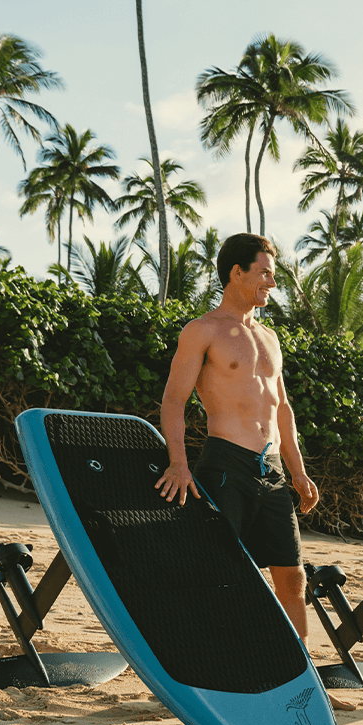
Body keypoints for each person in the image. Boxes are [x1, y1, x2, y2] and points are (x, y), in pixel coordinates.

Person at [155, 232, 319, 641]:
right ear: (236, 272)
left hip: (273, 469)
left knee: (293, 578)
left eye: (273, 274)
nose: (273, 282)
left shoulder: (269, 338)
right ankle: (212, 663)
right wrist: (179, 463)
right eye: (265, 273)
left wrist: (297, 471)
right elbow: (174, 401)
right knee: (220, 573)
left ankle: (301, 679)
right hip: (227, 463)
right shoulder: (203, 330)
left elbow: (281, 407)